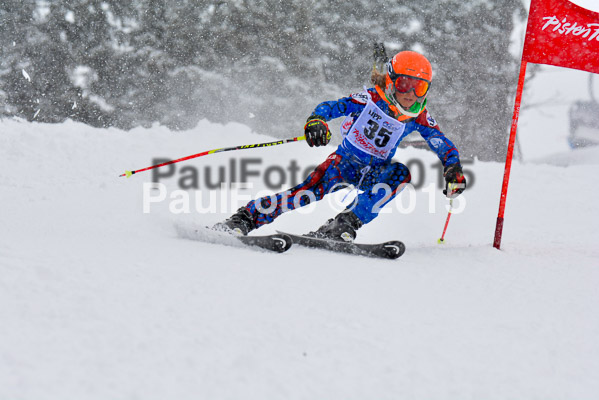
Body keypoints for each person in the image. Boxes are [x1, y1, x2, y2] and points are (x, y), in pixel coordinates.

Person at [215, 50, 466, 241]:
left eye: (419, 87)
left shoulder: (418, 116)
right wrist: (317, 121)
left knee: (400, 174)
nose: (410, 94)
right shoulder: (370, 99)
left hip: (375, 172)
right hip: (343, 164)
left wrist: (453, 169)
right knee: (305, 194)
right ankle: (246, 218)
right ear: (391, 81)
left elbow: (442, 144)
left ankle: (344, 224)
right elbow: (332, 107)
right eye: (404, 84)